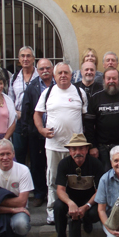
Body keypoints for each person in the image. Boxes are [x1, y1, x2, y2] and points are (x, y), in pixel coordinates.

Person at [34, 62, 87, 225]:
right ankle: (52, 211)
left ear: (71, 75)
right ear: (54, 76)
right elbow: (37, 114)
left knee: (76, 180)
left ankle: (74, 210)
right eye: (60, 73)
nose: (63, 75)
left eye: (66, 72)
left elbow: (85, 117)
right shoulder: (48, 93)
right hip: (53, 145)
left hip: (75, 147)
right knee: (52, 179)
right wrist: (41, 130)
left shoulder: (80, 92)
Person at [54, 133, 105, 237]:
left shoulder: (96, 164)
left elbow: (100, 191)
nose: (78, 152)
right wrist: (70, 203)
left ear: (87, 150)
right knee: (58, 207)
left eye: (81, 148)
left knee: (95, 213)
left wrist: (86, 207)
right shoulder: (63, 164)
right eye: (74, 149)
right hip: (70, 199)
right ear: (70, 151)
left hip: (89, 199)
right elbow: (60, 190)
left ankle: (86, 220)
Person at [21, 59, 55, 207]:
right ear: (37, 70)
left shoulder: (59, 84)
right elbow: (26, 110)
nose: (45, 71)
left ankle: (53, 193)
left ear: (52, 69)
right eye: (41, 69)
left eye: (48, 68)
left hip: (55, 133)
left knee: (53, 165)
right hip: (36, 133)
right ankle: (40, 193)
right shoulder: (32, 87)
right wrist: (28, 130)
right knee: (37, 164)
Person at [8, 46, 39, 166]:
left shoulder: (39, 75)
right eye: (23, 56)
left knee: (36, 156)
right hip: (20, 121)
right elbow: (10, 99)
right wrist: (15, 112)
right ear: (19, 59)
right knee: (19, 153)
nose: (25, 58)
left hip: (36, 121)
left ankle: (36, 184)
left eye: (28, 56)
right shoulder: (14, 78)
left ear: (33, 59)